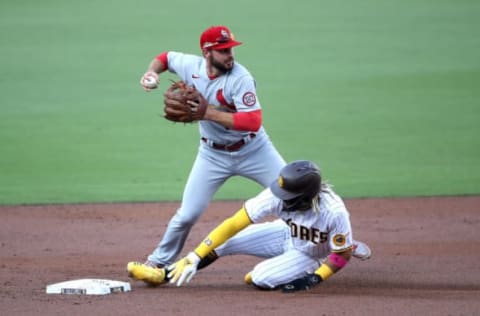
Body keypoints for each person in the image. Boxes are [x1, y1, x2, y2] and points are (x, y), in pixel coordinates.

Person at [127, 25, 287, 280]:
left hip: (254, 149)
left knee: (293, 194)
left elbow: (253, 121)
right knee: (187, 214)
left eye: (231, 49)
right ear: (207, 52)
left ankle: (328, 242)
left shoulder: (241, 78)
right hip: (212, 155)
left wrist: (207, 113)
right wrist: (151, 73)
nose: (230, 55)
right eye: (223, 51)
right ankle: (157, 264)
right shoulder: (191, 66)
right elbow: (165, 58)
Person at [129, 160, 372, 292]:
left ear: (303, 197)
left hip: (309, 253)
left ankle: (334, 243)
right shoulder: (277, 195)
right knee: (225, 242)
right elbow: (234, 223)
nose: (279, 196)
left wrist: (315, 279)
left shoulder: (334, 212)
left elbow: (342, 254)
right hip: (286, 234)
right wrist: (194, 256)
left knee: (258, 279)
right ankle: (164, 275)